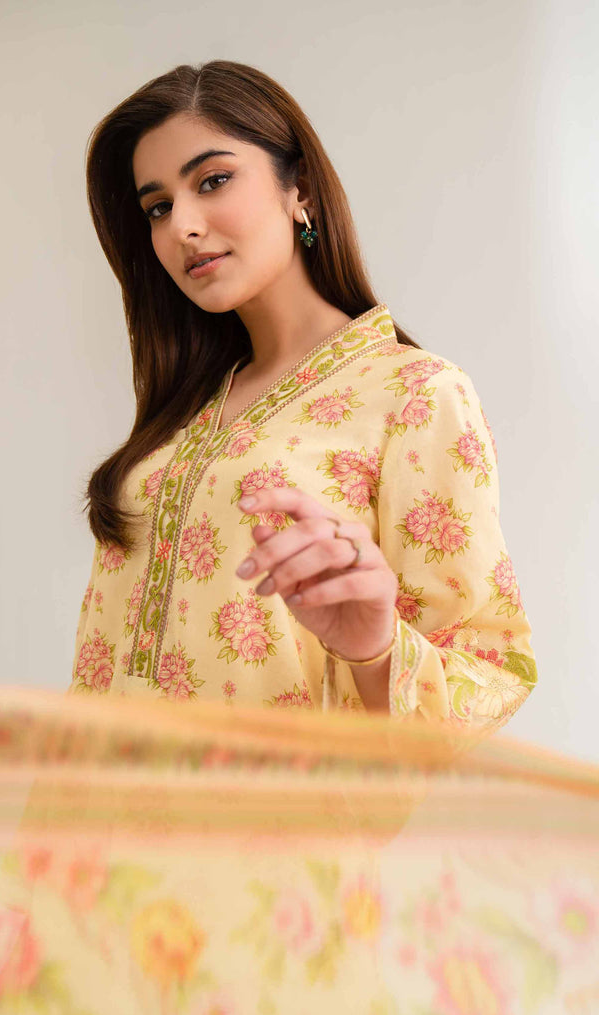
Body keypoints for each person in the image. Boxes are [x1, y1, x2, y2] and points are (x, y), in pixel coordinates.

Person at [67, 60, 537, 728]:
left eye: (213, 180)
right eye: (158, 207)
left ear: (302, 192)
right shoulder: (183, 415)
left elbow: (490, 668)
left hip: (271, 794)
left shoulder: (415, 395)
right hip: (99, 790)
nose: (181, 227)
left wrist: (376, 649)